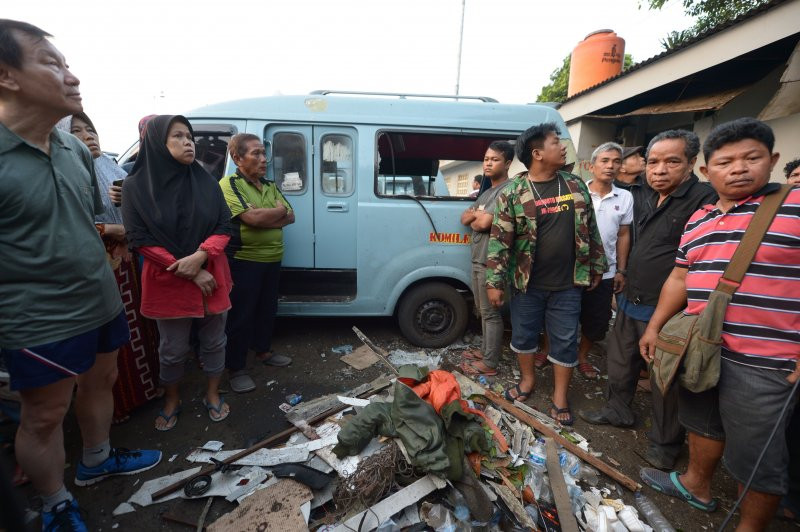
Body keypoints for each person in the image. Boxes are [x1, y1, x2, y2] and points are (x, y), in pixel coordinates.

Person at [0, 20, 160, 530]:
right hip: (38, 318)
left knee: (103, 383)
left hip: (101, 298)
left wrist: (111, 236)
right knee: (45, 415)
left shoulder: (73, 151)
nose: (71, 77)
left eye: (67, 64)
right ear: (6, 75)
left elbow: (87, 220)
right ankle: (54, 502)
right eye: (52, 63)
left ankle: (97, 459)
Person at [638, 118, 800, 531]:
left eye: (752, 158)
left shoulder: (792, 206)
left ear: (773, 160)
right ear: (708, 172)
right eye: (726, 161)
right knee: (702, 422)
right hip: (702, 345)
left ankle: (751, 525)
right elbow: (680, 277)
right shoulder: (700, 219)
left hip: (765, 358)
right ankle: (696, 484)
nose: (739, 169)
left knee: (756, 451)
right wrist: (655, 326)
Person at [579, 130, 717, 470]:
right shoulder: (638, 194)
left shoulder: (703, 200)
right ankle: (617, 411)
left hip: (670, 306)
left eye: (672, 162)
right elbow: (626, 236)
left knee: (663, 378)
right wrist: (622, 273)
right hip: (631, 294)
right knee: (620, 359)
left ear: (691, 164)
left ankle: (665, 444)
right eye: (653, 162)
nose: (659, 170)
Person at [486, 123, 607, 425]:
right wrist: (494, 282)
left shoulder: (575, 185)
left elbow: (591, 229)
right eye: (556, 142)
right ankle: (527, 381)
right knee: (525, 337)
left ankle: (560, 396)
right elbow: (500, 241)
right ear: (537, 153)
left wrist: (596, 265)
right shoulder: (513, 192)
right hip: (527, 284)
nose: (563, 145)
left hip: (568, 284)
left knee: (565, 340)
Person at [121, 114, 234, 431]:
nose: (188, 142)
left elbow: (224, 226)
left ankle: (212, 393)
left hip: (211, 274)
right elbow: (139, 240)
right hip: (168, 279)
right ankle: (172, 398)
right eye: (179, 137)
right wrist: (191, 270)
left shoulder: (206, 182)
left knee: (214, 341)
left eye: (190, 136)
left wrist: (201, 256)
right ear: (157, 143)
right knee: (172, 349)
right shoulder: (135, 187)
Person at [57, 112, 160, 423]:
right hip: (90, 267)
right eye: (78, 130)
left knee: (135, 331)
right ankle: (118, 406)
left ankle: (144, 391)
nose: (90, 135)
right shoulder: (61, 171)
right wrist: (107, 230)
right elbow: (63, 224)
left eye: (91, 128)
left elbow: (142, 209)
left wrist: (127, 202)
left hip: (123, 259)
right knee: (109, 346)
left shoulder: (110, 166)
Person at [220, 133, 295, 393]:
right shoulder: (229, 184)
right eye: (256, 154)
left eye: (264, 154)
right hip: (244, 260)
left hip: (273, 257)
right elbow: (252, 219)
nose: (264, 159)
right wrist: (277, 212)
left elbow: (292, 216)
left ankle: (263, 351)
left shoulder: (270, 185)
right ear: (237, 158)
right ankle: (236, 368)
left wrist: (271, 215)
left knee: (266, 309)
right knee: (241, 315)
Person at [577, 142, 633, 380]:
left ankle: (581, 357)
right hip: (572, 270)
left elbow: (623, 234)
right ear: (591, 165)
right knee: (558, 315)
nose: (611, 166)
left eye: (616, 161)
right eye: (605, 160)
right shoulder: (577, 193)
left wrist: (621, 269)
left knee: (597, 320)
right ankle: (549, 351)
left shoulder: (625, 197)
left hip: (607, 271)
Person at [459, 141, 514, 377]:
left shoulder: (507, 190)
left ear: (508, 163)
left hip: (492, 262)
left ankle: (490, 362)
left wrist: (478, 216)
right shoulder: (488, 191)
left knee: (491, 313)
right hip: (478, 259)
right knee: (483, 310)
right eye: (486, 159)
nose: (488, 163)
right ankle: (485, 351)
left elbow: (481, 223)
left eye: (495, 159)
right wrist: (476, 214)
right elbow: (464, 218)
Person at [614, 145, 652, 242]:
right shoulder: (610, 191)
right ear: (622, 167)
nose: (642, 158)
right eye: (635, 157)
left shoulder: (650, 187)